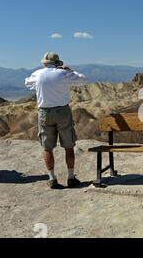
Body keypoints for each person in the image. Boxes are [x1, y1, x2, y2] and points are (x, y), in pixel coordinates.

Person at [25, 52, 88, 189]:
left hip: (44, 113)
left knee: (47, 147)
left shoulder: (37, 74)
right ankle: (71, 178)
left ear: (44, 63)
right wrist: (69, 70)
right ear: (58, 63)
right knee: (68, 146)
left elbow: (27, 82)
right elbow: (83, 80)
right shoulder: (63, 74)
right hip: (63, 112)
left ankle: (52, 178)